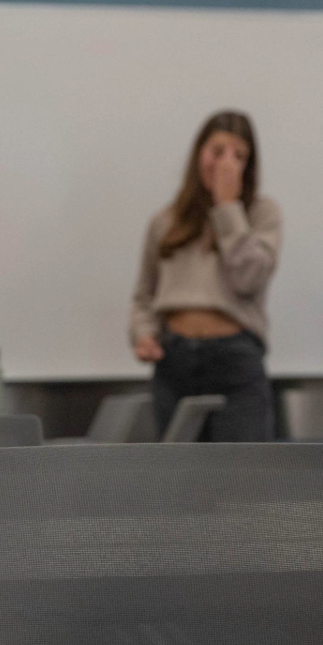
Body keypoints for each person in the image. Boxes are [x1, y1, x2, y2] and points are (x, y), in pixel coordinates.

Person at [130, 111, 280, 442]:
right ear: (199, 153)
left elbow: (249, 279)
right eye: (217, 151)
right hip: (174, 361)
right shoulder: (166, 221)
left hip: (235, 361)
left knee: (242, 481)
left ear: (249, 166)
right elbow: (144, 296)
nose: (225, 163)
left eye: (238, 156)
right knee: (179, 482)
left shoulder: (262, 214)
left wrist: (227, 207)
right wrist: (143, 334)